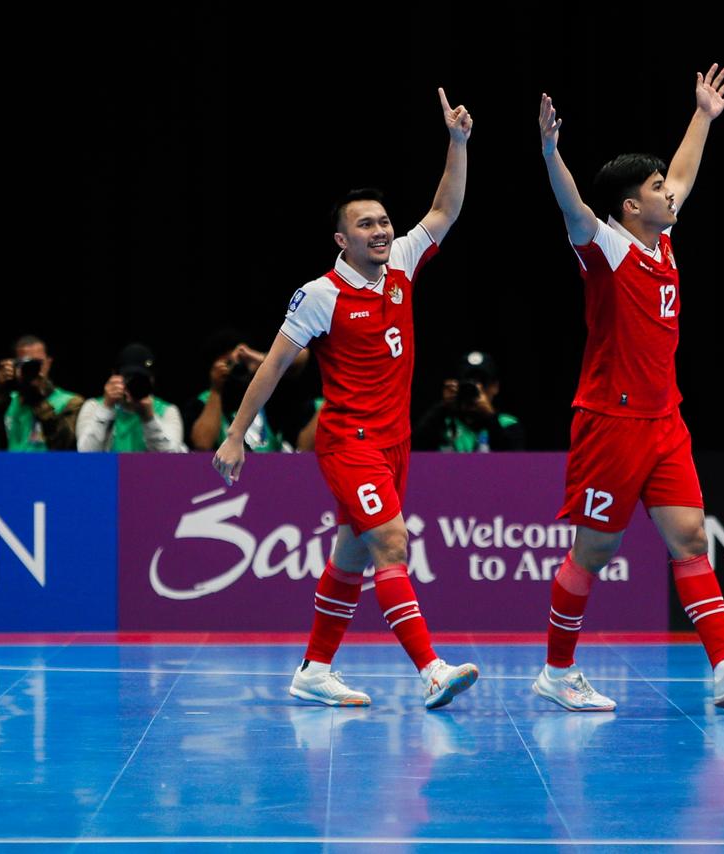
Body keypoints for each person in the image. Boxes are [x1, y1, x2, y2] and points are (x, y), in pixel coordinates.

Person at [212, 88, 478, 710]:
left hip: (395, 442)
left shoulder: (404, 264)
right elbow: (274, 366)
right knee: (390, 542)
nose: (382, 230)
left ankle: (313, 668)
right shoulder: (320, 294)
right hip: (348, 440)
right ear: (342, 239)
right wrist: (235, 434)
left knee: (353, 552)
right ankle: (430, 670)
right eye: (367, 224)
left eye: (385, 221)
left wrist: (458, 142)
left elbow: (446, 207)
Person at [533, 65, 724, 714]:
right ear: (629, 206)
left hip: (664, 420)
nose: (667, 194)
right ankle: (557, 672)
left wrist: (702, 116)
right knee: (594, 551)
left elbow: (682, 174)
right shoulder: (606, 248)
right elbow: (574, 208)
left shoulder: (663, 238)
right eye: (653, 190)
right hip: (609, 422)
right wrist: (549, 152)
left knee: (691, 540)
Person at [0, 334, 83, 451]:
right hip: (8, 468)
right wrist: (0, 390)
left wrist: (38, 399)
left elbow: (65, 443)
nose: (32, 369)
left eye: (37, 363)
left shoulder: (70, 401)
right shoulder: (6, 402)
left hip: (48, 468)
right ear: (14, 366)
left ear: (49, 363)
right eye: (25, 364)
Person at [77, 343, 187, 452]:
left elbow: (173, 462)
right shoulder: (94, 406)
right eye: (128, 377)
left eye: (141, 378)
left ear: (152, 380)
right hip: (109, 469)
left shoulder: (168, 411)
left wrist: (149, 419)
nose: (134, 383)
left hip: (148, 470)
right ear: (114, 375)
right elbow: (86, 457)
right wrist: (106, 409)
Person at [413, 351, 525, 451]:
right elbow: (414, 450)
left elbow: (514, 463)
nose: (476, 389)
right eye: (468, 383)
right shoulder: (442, 423)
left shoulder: (507, 424)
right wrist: (443, 407)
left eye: (482, 382)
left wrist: (490, 417)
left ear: (495, 387)